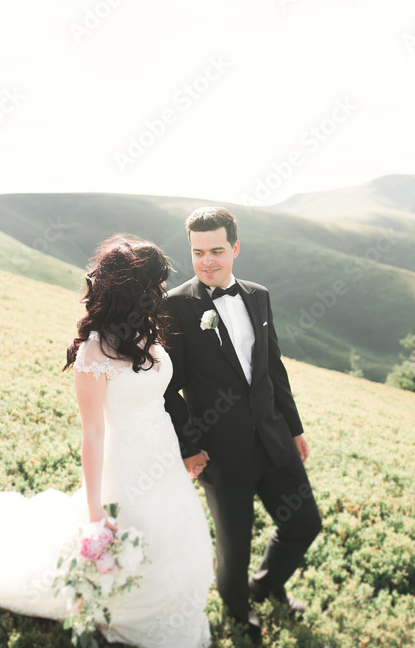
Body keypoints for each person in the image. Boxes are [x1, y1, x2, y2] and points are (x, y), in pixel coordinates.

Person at [0, 234, 213, 648]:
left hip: (162, 455)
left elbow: (162, 399)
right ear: (134, 289)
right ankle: (129, 612)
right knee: (137, 532)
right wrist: (96, 512)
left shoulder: (145, 333)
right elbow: (93, 434)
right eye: (156, 283)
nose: (163, 290)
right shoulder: (94, 353)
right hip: (125, 463)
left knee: (173, 532)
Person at [163, 207, 322, 642]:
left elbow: (273, 368)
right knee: (234, 548)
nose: (207, 261)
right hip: (220, 451)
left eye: (216, 250)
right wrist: (189, 446)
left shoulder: (258, 295)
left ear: (235, 247)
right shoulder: (175, 306)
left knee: (304, 523)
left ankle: (265, 585)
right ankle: (238, 612)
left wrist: (293, 426)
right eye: (198, 252)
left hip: (273, 439)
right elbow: (169, 388)